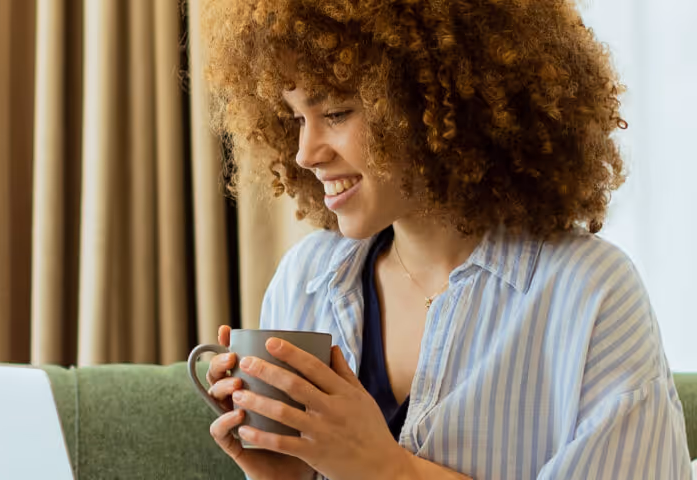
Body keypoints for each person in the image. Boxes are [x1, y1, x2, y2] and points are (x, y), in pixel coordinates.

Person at [198, 0, 692, 479]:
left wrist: (384, 469)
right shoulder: (305, 281)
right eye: (294, 119)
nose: (305, 153)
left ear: (437, 99)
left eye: (337, 112)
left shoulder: (591, 294)